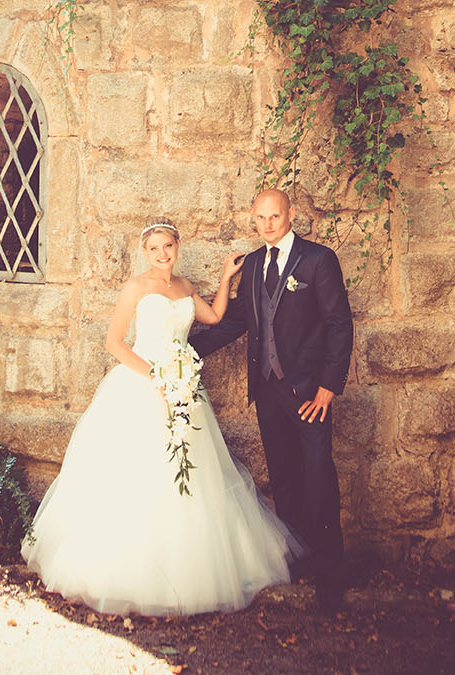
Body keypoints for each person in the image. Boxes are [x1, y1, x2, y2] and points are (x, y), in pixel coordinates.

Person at [21, 219, 300, 616]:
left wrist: (225, 279)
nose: (162, 255)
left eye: (167, 246)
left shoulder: (184, 287)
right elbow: (114, 343)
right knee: (140, 475)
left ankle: (190, 572)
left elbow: (215, 318)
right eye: (154, 249)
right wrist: (157, 376)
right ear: (145, 252)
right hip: (143, 385)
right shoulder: (135, 288)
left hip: (182, 389)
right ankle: (131, 574)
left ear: (177, 246)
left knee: (189, 476)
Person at [190, 188, 354, 611]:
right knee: (283, 476)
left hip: (308, 391)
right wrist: (185, 349)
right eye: (260, 218)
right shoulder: (254, 263)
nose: (267, 225)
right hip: (267, 391)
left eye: (274, 217)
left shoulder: (319, 261)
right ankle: (298, 556)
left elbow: (339, 325)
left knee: (319, 475)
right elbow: (242, 321)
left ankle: (331, 572)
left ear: (291, 215)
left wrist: (328, 387)